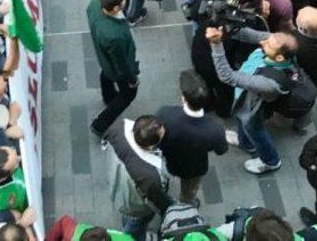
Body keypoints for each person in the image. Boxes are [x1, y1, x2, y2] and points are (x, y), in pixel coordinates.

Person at [207, 26, 299, 174]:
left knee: (254, 129)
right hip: (244, 100)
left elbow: (227, 76)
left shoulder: (270, 83)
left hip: (253, 110)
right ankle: (245, 143)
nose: (263, 42)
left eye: (268, 44)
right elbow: (248, 34)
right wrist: (226, 25)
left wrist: (216, 44)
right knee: (242, 121)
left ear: (280, 58)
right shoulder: (279, 44)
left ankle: (271, 161)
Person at [156, 70, 227, 206]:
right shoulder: (214, 129)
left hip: (169, 160)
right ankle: (187, 203)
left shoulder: (165, 113)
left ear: (184, 98)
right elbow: (221, 150)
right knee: (189, 190)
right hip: (194, 168)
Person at [104, 115, 171, 240]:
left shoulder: (118, 127)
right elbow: (159, 200)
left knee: (128, 216)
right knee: (136, 224)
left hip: (119, 185)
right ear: (151, 147)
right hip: (136, 206)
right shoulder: (150, 175)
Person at [86, 0, 139, 137]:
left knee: (106, 74)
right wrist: (132, 80)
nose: (126, 0)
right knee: (128, 95)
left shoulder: (94, 4)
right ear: (116, 8)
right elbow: (121, 66)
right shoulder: (114, 36)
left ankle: (108, 96)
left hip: (104, 57)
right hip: (116, 65)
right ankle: (100, 124)